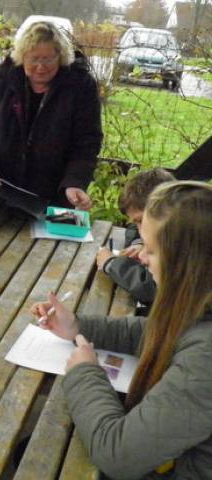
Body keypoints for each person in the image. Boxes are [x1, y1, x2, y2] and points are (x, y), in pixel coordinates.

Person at [31, 181, 212, 479]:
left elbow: (116, 454)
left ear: (185, 264)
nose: (141, 257)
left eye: (151, 250)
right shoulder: (201, 307)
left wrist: (85, 372)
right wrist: (76, 326)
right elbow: (153, 333)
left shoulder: (205, 360)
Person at [0, 21, 103, 210]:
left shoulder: (80, 86)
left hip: (55, 196)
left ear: (60, 56)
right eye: (34, 59)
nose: (40, 67)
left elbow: (87, 141)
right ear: (22, 57)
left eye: (48, 59)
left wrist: (74, 182)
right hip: (1, 192)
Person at [96, 168, 175, 306]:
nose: (140, 228)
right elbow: (134, 227)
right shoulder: (169, 225)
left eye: (140, 221)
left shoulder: (186, 242)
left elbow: (157, 291)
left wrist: (111, 264)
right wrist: (140, 243)